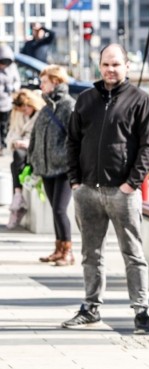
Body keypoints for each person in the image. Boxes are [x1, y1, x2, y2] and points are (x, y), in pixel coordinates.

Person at [63, 44, 149, 334]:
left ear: (126, 66)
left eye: (116, 64)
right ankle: (91, 307)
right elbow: (72, 141)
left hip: (123, 192)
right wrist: (75, 181)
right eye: (106, 64)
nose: (110, 69)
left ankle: (141, 311)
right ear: (100, 66)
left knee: (133, 253)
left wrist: (132, 183)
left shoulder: (140, 100)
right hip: (88, 191)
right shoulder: (86, 99)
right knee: (91, 253)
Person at [28, 65, 76, 266]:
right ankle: (58, 248)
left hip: (63, 167)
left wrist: (64, 157)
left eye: (44, 81)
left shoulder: (68, 105)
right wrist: (32, 157)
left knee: (59, 209)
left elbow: (74, 137)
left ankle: (68, 251)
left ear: (56, 82)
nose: (41, 85)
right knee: (54, 209)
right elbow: (36, 135)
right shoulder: (46, 107)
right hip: (46, 166)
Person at [6, 90, 44, 229]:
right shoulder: (17, 115)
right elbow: (12, 133)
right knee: (15, 159)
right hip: (22, 153)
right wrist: (16, 142)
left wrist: (28, 143)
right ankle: (18, 197)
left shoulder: (41, 114)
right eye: (22, 109)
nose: (25, 111)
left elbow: (43, 138)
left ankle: (17, 198)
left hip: (37, 152)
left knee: (16, 160)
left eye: (26, 108)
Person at [0, 44, 20, 155]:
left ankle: (2, 144)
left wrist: (12, 88)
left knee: (4, 124)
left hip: (7, 102)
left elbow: (17, 81)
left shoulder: (12, 68)